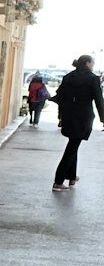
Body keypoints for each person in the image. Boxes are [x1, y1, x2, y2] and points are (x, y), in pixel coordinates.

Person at [51, 55, 104, 191]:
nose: (93, 66)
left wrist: (61, 116)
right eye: (93, 63)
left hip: (69, 116)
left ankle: (72, 177)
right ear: (87, 63)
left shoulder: (68, 77)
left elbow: (59, 97)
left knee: (73, 144)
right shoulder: (93, 79)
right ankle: (58, 181)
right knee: (72, 148)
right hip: (83, 118)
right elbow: (99, 100)